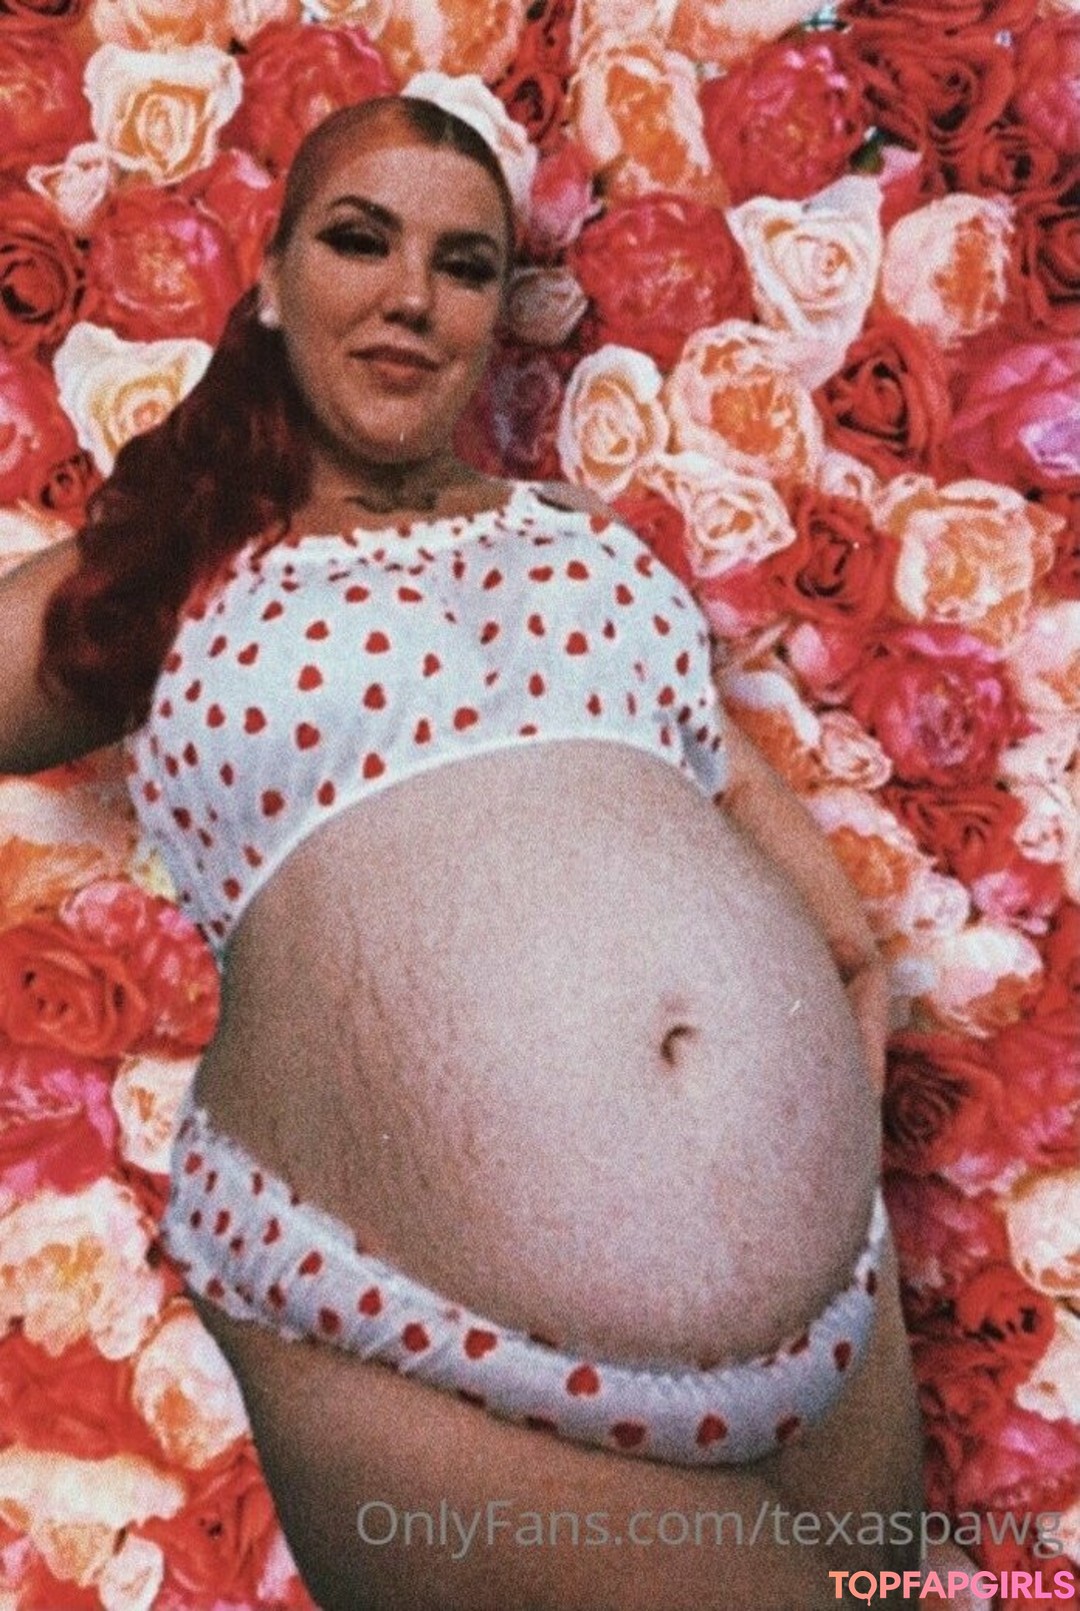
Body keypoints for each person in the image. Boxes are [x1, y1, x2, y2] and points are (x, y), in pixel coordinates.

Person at [1, 93, 940, 1610]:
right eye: (359, 241)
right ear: (270, 281)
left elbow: (833, 934)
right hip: (412, 1335)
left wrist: (795, 1162)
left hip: (836, 1319)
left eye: (463, 263)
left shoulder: (594, 548)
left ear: (500, 310)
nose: (410, 297)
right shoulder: (178, 566)